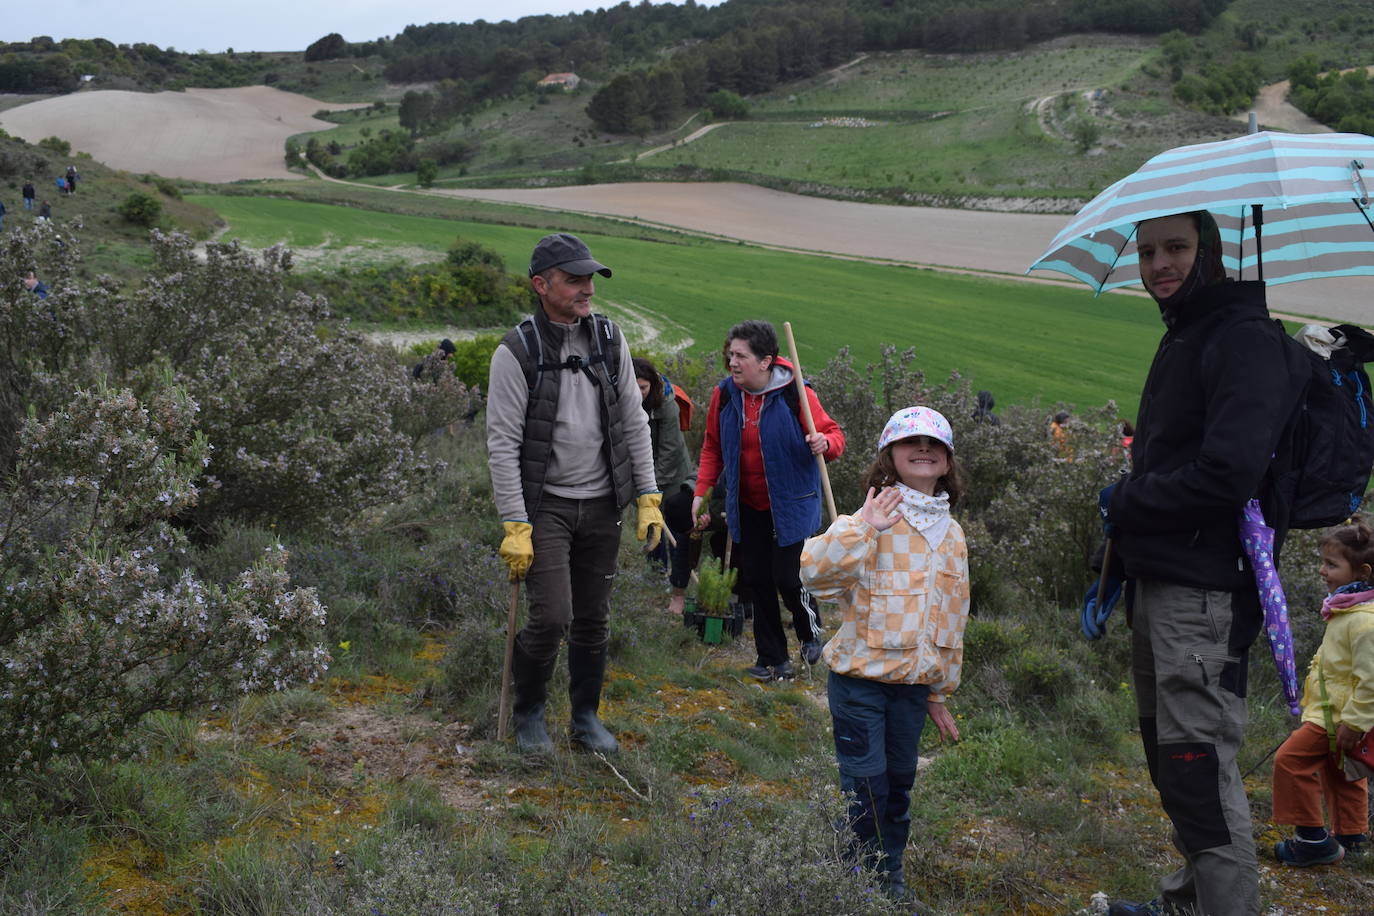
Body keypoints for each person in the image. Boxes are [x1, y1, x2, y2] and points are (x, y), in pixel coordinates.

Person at [1100, 210, 1303, 916]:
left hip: (1205, 594)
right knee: (1175, 762)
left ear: (1210, 252)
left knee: (1198, 769)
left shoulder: (1242, 340)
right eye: (1149, 251)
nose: (1159, 264)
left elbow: (1227, 475)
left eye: (1177, 248)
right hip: (1169, 582)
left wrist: (1129, 499)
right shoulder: (1188, 332)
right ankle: (1189, 902)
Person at [486, 232, 662, 755]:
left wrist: (648, 496)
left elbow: (635, 418)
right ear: (541, 285)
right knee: (553, 615)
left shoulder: (610, 339)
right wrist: (515, 524)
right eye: (574, 279)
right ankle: (529, 714)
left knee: (593, 615)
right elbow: (503, 444)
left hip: (604, 501)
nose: (587, 288)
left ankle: (585, 718)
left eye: (590, 278)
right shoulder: (516, 351)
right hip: (547, 507)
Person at [800, 406, 969, 907]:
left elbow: (953, 620)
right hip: (860, 684)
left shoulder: (954, 536)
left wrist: (939, 692)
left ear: (946, 462)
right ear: (889, 457)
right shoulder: (867, 521)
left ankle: (887, 877)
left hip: (913, 691)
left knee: (897, 788)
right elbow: (815, 577)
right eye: (910, 443)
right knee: (866, 788)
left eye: (934, 445)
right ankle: (859, 881)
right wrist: (864, 528)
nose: (923, 450)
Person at [692, 319, 845, 680]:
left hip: (793, 501)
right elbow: (712, 446)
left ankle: (810, 632)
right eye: (730, 354)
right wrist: (702, 492)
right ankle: (773, 660)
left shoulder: (797, 394)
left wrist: (825, 444)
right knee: (757, 578)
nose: (732, 362)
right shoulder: (726, 395)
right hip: (748, 503)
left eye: (741, 356)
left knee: (789, 578)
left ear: (766, 362)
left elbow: (833, 435)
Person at [1269, 517, 1374, 867]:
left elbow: (1371, 679)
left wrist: (1356, 722)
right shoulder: (1345, 610)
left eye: (1332, 564)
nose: (1321, 571)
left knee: (1290, 761)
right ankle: (1352, 839)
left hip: (1342, 715)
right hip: (1330, 712)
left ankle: (1312, 840)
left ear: (1362, 571)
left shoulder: (1364, 620)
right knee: (1339, 770)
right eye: (1323, 562)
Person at [632, 356, 695, 615]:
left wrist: (650, 486)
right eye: (633, 387)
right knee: (651, 523)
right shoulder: (625, 401)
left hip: (672, 473)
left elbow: (668, 451)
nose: (638, 393)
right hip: (646, 468)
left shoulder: (667, 405)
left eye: (643, 388)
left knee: (670, 519)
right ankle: (655, 572)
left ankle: (677, 580)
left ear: (652, 386)